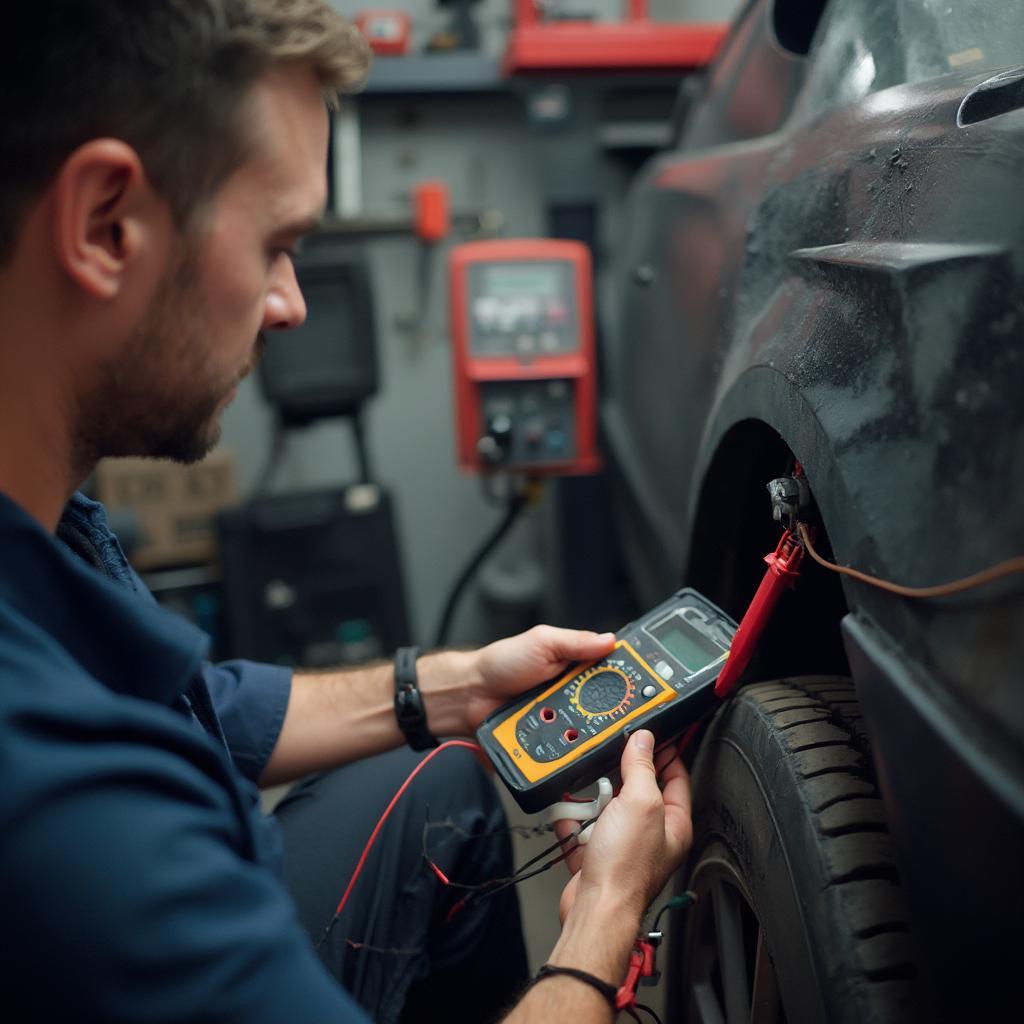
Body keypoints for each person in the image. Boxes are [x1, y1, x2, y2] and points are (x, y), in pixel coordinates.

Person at [0, 2, 692, 1022]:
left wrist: (453, 684)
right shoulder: (71, 809)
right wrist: (602, 919)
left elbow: (206, 706)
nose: (292, 302)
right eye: (277, 242)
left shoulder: (47, 519)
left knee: (441, 784)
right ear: (106, 223)